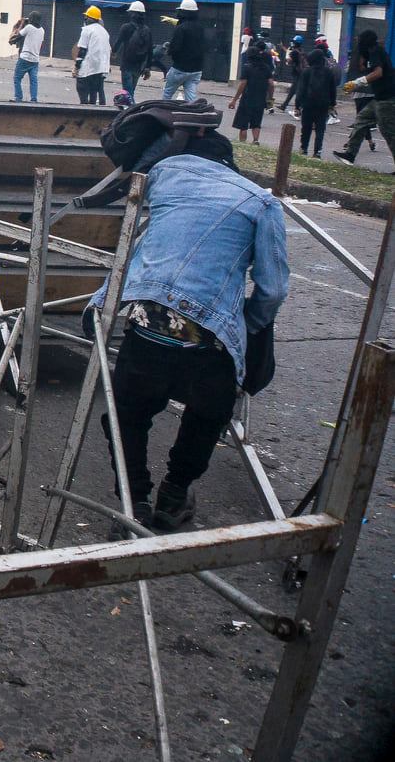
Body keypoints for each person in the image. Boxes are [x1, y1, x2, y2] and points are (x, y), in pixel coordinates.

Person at [92, 136, 286, 531]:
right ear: (230, 165)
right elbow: (272, 290)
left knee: (127, 415)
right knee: (207, 415)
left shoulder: (165, 176)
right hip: (207, 341)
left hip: (147, 330)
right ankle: (174, 494)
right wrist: (243, 327)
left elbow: (144, 247)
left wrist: (101, 300)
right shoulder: (261, 203)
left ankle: (135, 502)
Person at [334, 27, 395, 163]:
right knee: (361, 120)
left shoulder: (375, 51)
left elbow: (378, 73)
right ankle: (350, 154)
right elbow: (367, 69)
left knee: (389, 132)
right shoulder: (374, 52)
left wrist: (357, 83)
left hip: (387, 100)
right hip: (379, 98)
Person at [294, 36, 339, 156]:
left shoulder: (307, 72)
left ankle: (304, 148)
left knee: (306, 128)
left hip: (308, 103)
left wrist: (297, 105)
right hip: (323, 104)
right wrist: (332, 104)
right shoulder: (328, 72)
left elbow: (301, 90)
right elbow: (332, 90)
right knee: (320, 129)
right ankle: (317, 151)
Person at [230, 37, 274, 143]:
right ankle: (255, 140)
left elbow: (243, 84)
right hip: (261, 98)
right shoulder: (266, 68)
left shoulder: (247, 68)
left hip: (247, 98)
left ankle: (242, 142)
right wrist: (270, 97)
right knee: (256, 122)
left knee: (243, 124)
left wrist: (235, 99)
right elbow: (271, 84)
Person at [163, 0, 206, 102]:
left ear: (183, 12)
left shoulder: (181, 28)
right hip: (196, 70)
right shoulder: (200, 28)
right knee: (191, 97)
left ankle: (162, 112)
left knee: (167, 93)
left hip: (180, 69)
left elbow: (175, 47)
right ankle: (193, 114)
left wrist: (168, 50)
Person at [74, 5, 111, 105]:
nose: (85, 19)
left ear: (90, 18)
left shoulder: (87, 30)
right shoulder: (104, 32)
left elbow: (82, 50)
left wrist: (77, 66)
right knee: (94, 93)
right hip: (100, 69)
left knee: (81, 89)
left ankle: (84, 109)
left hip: (88, 67)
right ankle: (92, 109)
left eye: (86, 17)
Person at [113, 1, 151, 98]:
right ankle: (131, 108)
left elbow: (118, 42)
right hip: (139, 66)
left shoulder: (126, 27)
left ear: (133, 14)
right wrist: (148, 67)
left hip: (127, 64)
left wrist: (113, 52)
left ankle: (130, 110)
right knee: (131, 91)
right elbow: (150, 50)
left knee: (127, 93)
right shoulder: (147, 30)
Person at [10, 11, 44, 102]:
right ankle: (33, 99)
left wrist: (21, 23)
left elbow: (18, 36)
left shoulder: (28, 27)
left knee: (17, 78)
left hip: (25, 58)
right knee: (33, 81)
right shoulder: (42, 30)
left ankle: (18, 97)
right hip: (35, 60)